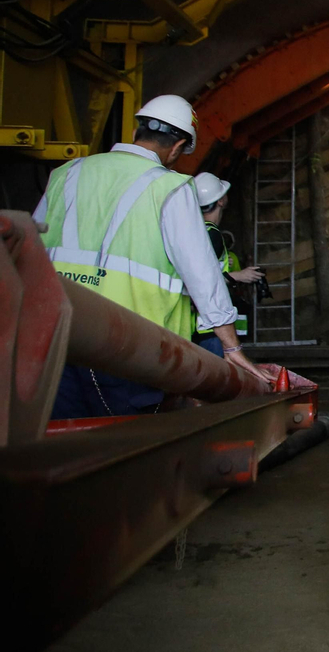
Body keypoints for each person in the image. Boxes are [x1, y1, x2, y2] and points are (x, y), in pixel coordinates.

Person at [37, 95, 261, 417]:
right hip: (129, 348)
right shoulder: (170, 188)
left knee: (63, 447)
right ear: (177, 146)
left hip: (56, 335)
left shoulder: (66, 173)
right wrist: (232, 347)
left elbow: (28, 245)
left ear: (134, 132)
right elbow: (202, 274)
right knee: (129, 448)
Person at [191, 172, 264, 357]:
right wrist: (239, 276)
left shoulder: (194, 230)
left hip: (198, 325)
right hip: (210, 328)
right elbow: (198, 281)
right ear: (221, 200)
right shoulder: (211, 234)